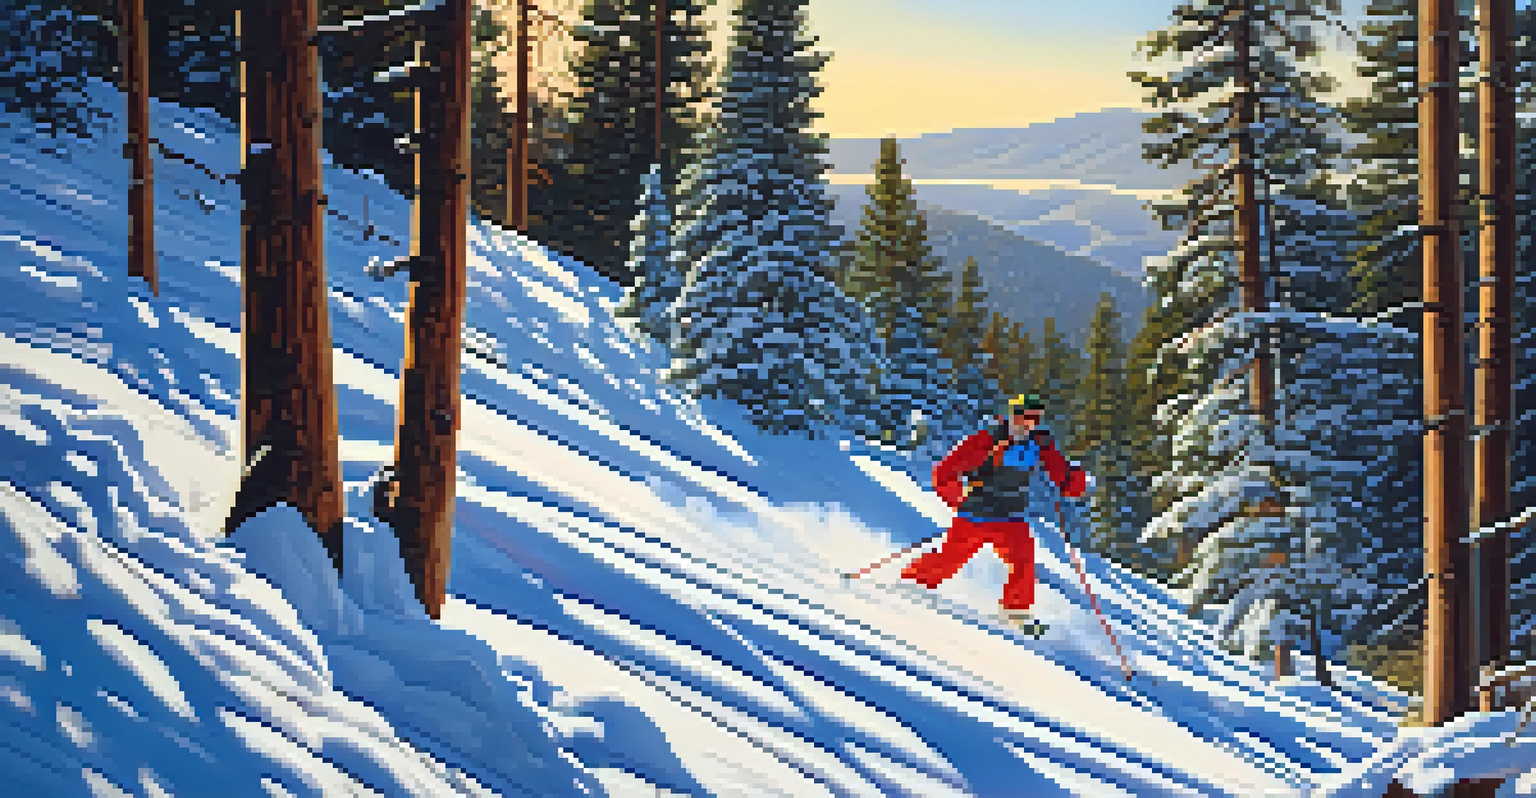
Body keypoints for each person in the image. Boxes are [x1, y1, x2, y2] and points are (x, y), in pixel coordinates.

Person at [901, 393, 1090, 625]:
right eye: (1023, 416)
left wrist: (1072, 482)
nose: (1027, 423)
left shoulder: (1039, 444)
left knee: (1024, 561)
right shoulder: (987, 440)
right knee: (948, 561)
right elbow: (944, 473)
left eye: (1034, 418)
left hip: (1011, 517)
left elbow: (1061, 472)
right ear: (1012, 415)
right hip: (976, 515)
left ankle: (1015, 612)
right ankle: (910, 584)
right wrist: (959, 499)